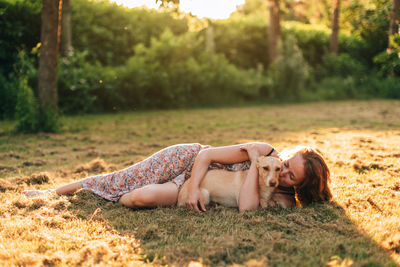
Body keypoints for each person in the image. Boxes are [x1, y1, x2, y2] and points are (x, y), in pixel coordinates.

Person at [22, 142, 332, 212]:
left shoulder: (280, 195)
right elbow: (205, 157)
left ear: (301, 187)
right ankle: (49, 195)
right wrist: (194, 189)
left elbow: (247, 208)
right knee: (120, 180)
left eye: (292, 176)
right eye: (288, 163)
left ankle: (116, 196)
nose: (284, 173)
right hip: (187, 162)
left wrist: (254, 168)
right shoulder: (264, 152)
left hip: (192, 186)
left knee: (141, 197)